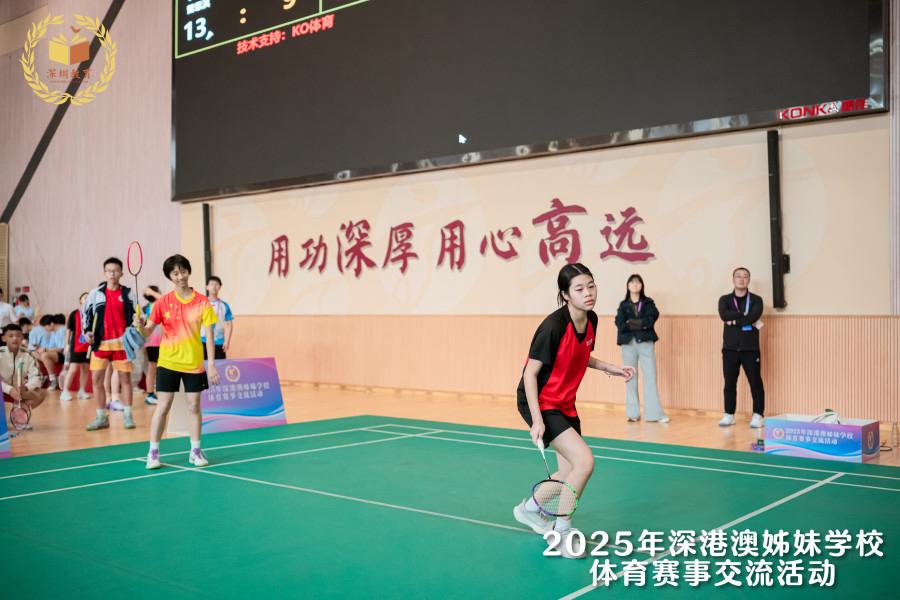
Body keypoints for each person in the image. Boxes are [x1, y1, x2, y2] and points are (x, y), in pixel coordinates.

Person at [513, 263, 634, 558]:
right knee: (585, 462)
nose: (588, 293)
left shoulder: (591, 319)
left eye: (591, 286)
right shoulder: (553, 327)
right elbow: (530, 374)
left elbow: (582, 354)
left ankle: (529, 510)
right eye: (579, 289)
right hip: (541, 402)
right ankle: (562, 529)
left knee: (569, 471)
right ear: (565, 294)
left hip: (565, 402)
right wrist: (537, 421)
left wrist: (611, 368)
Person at [134, 254, 220, 469]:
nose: (180, 276)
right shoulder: (162, 302)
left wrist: (211, 364)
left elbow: (209, 335)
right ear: (169, 277)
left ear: (188, 272)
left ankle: (195, 451)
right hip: (168, 362)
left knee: (194, 406)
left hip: (193, 363)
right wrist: (140, 325)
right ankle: (153, 453)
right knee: (163, 406)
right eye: (175, 273)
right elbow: (147, 332)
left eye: (183, 271)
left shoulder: (202, 302)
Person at [82, 257, 139, 430]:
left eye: (115, 271)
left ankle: (128, 416)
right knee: (96, 380)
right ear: (104, 273)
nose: (112, 274)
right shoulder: (96, 294)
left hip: (122, 344)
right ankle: (101, 417)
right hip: (101, 344)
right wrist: (86, 332)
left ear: (121, 273)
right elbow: (86, 315)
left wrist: (139, 321)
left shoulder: (129, 294)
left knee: (125, 380)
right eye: (108, 271)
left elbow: (137, 316)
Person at [615, 274, 668, 423]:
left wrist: (631, 322)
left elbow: (651, 319)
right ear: (628, 286)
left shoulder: (648, 303)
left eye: (638, 282)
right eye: (632, 282)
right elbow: (620, 323)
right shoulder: (623, 305)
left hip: (645, 342)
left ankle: (654, 414)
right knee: (630, 377)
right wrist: (640, 323)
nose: (635, 285)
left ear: (642, 285)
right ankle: (633, 413)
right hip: (628, 344)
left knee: (650, 377)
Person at [717, 267, 765, 429]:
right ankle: (729, 414)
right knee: (729, 383)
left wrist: (734, 321)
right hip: (729, 349)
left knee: (755, 382)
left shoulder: (756, 300)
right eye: (738, 276)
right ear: (733, 279)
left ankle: (758, 415)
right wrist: (744, 316)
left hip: (750, 349)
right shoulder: (724, 299)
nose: (741, 279)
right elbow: (724, 315)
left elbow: (754, 316)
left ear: (748, 280)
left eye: (745, 276)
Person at [0, 324, 47, 428]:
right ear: (4, 338)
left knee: (41, 393)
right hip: (2, 390)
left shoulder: (28, 355)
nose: (15, 338)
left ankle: (18, 415)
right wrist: (9, 389)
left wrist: (25, 387)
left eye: (18, 335)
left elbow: (36, 377)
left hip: (19, 391)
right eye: (11, 336)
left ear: (22, 338)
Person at [60, 293, 92, 401]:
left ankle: (82, 391)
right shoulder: (74, 314)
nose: (87, 299)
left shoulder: (92, 314)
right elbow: (68, 331)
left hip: (88, 347)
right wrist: (67, 345)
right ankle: (65, 391)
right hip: (76, 346)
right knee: (73, 369)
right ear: (80, 301)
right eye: (85, 297)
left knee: (85, 369)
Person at [202, 276, 234, 360]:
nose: (214, 286)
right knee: (203, 366)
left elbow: (229, 324)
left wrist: (227, 341)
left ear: (220, 287)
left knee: (220, 366)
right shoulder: (201, 304)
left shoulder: (224, 305)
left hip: (218, 342)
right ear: (207, 287)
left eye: (216, 284)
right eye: (211, 284)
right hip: (203, 341)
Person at [141, 285, 163, 405]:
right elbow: (163, 298)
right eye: (158, 291)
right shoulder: (153, 305)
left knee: (154, 368)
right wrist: (150, 291)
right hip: (154, 343)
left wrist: (150, 292)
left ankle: (154, 393)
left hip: (157, 342)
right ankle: (150, 394)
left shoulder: (150, 306)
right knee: (153, 368)